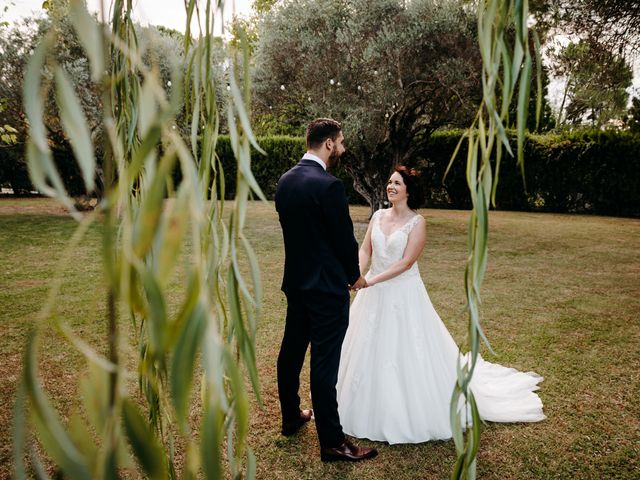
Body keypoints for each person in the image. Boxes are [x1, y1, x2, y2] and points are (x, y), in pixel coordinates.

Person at [337, 166, 545, 444]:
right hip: (371, 292)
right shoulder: (377, 216)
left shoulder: (417, 222)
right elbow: (365, 250)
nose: (391, 187)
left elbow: (406, 262)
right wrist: (358, 274)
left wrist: (371, 282)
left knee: (406, 349)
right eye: (389, 182)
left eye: (397, 183)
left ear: (409, 190)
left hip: (402, 293)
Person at [274, 118, 378, 462]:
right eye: (341, 142)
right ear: (329, 143)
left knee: (291, 351)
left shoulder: (286, 182)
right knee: (324, 364)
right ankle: (332, 442)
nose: (343, 148)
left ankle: (291, 416)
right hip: (327, 289)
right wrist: (355, 276)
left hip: (297, 283)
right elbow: (342, 240)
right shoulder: (329, 186)